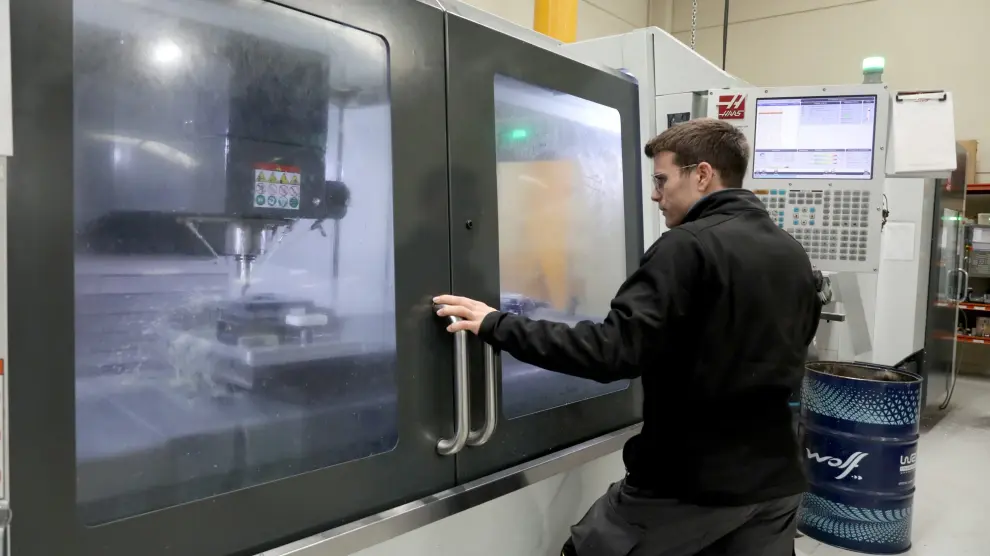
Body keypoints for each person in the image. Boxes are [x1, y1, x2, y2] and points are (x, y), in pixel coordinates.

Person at [434, 118, 821, 556]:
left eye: (662, 179)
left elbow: (612, 353)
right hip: (776, 481)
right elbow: (792, 342)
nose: (656, 194)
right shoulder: (790, 251)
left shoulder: (686, 246)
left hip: (690, 484)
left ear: (702, 174)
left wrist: (494, 324)